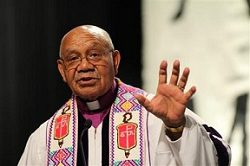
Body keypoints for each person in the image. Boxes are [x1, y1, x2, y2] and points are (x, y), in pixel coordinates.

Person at [18, 25, 231, 166]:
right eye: (73, 59)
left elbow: (215, 159)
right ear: (62, 70)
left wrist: (176, 128)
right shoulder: (44, 139)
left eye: (94, 55)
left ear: (115, 61)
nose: (84, 66)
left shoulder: (156, 116)